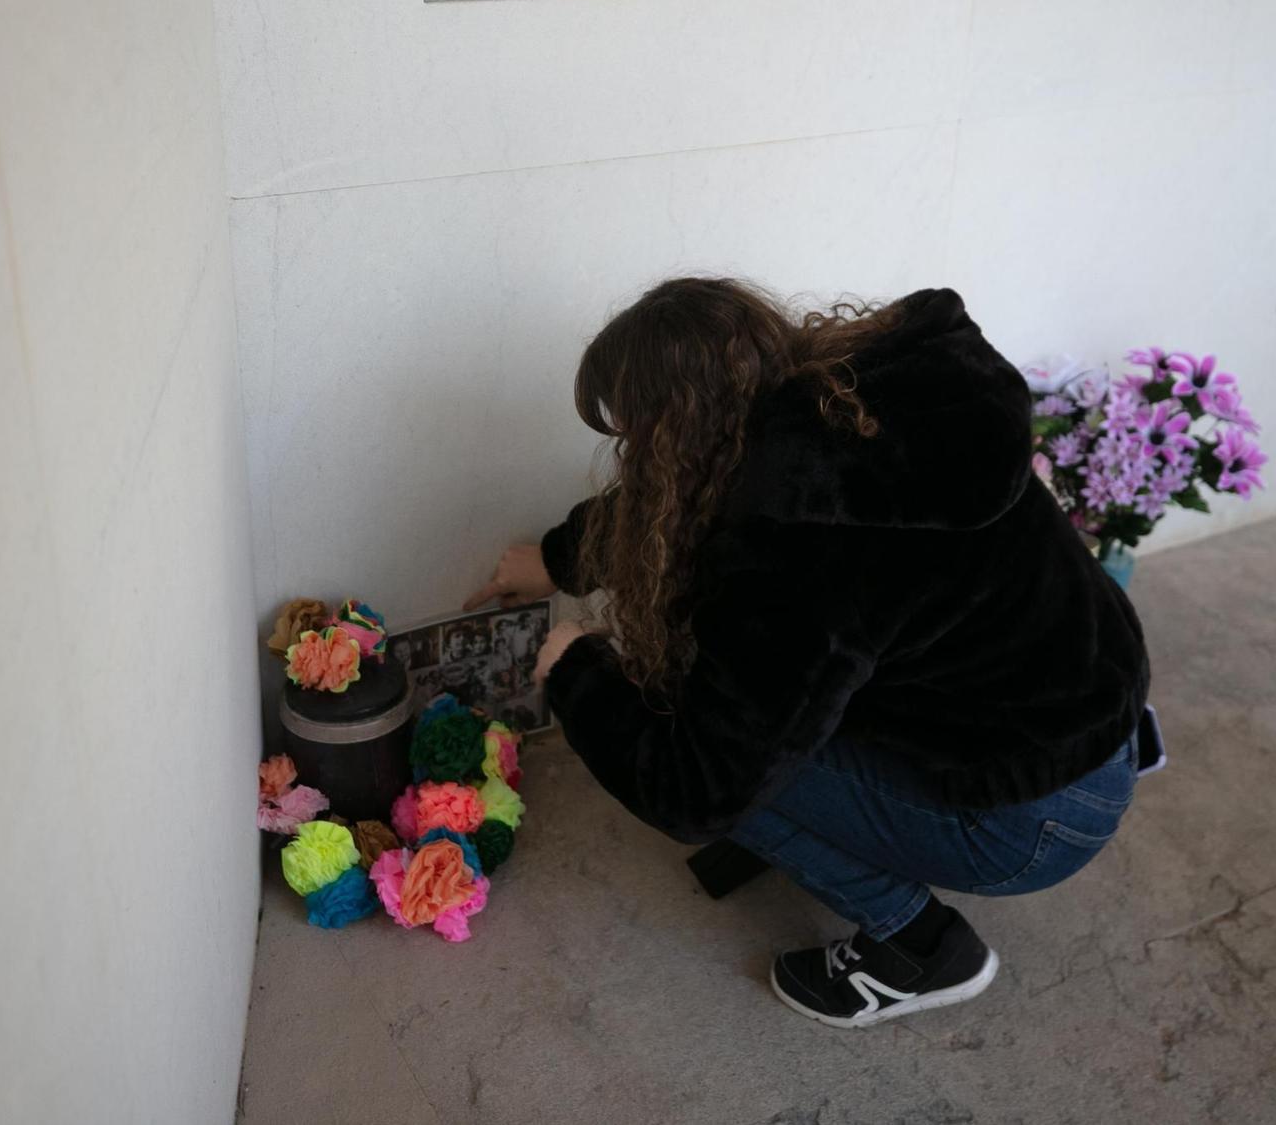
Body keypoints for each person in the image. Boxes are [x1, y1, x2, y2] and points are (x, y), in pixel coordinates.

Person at [465, 280, 1149, 1028]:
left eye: (637, 439)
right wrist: (560, 558)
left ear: (673, 433)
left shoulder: (796, 545)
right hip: (1096, 713)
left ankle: (918, 948)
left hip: (1030, 822)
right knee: (768, 705)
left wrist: (576, 670)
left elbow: (697, 789)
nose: (632, 456)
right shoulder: (873, 396)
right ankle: (847, 820)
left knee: (699, 734)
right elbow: (683, 485)